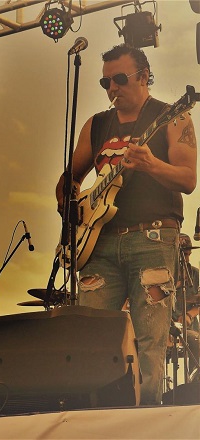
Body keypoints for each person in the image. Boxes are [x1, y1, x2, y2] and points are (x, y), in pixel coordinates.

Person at [55, 44, 197, 405]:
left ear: (144, 76)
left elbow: (188, 178)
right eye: (106, 82)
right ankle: (94, 416)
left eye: (120, 78)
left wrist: (151, 165)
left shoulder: (173, 117)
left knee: (150, 340)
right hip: (99, 244)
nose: (112, 88)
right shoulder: (96, 125)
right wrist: (71, 205)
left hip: (152, 238)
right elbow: (70, 177)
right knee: (91, 338)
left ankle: (147, 415)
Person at [173, 233, 199, 380]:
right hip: (167, 327)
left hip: (190, 329)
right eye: (183, 255)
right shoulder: (164, 273)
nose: (186, 259)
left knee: (196, 341)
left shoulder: (195, 273)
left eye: (188, 254)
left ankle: (194, 383)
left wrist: (189, 314)